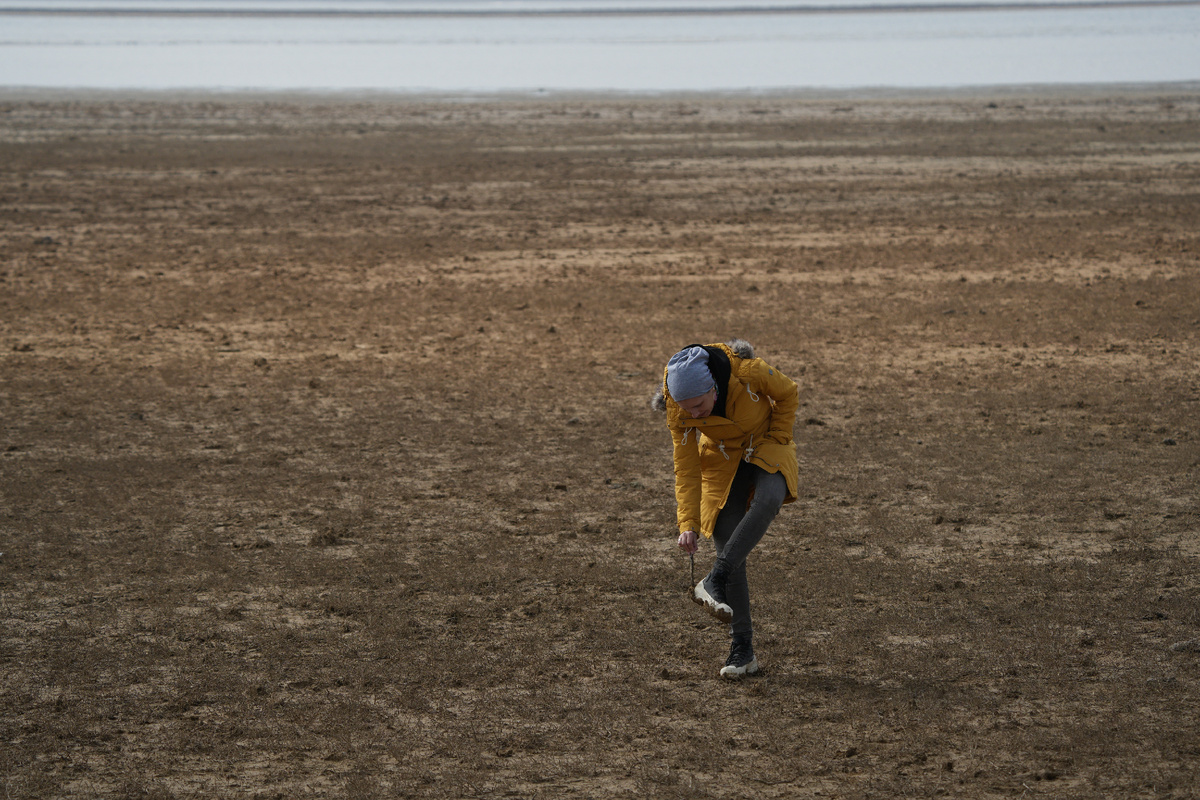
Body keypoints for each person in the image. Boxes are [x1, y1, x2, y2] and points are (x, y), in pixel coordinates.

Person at [657, 339, 799, 678]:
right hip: (721, 462)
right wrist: (687, 522)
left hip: (766, 445)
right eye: (687, 409)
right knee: (729, 545)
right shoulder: (678, 409)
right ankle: (743, 650)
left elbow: (788, 392)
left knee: (768, 499)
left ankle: (713, 578)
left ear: (714, 388)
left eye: (700, 406)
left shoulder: (747, 373)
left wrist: (780, 434)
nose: (694, 414)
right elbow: (687, 468)